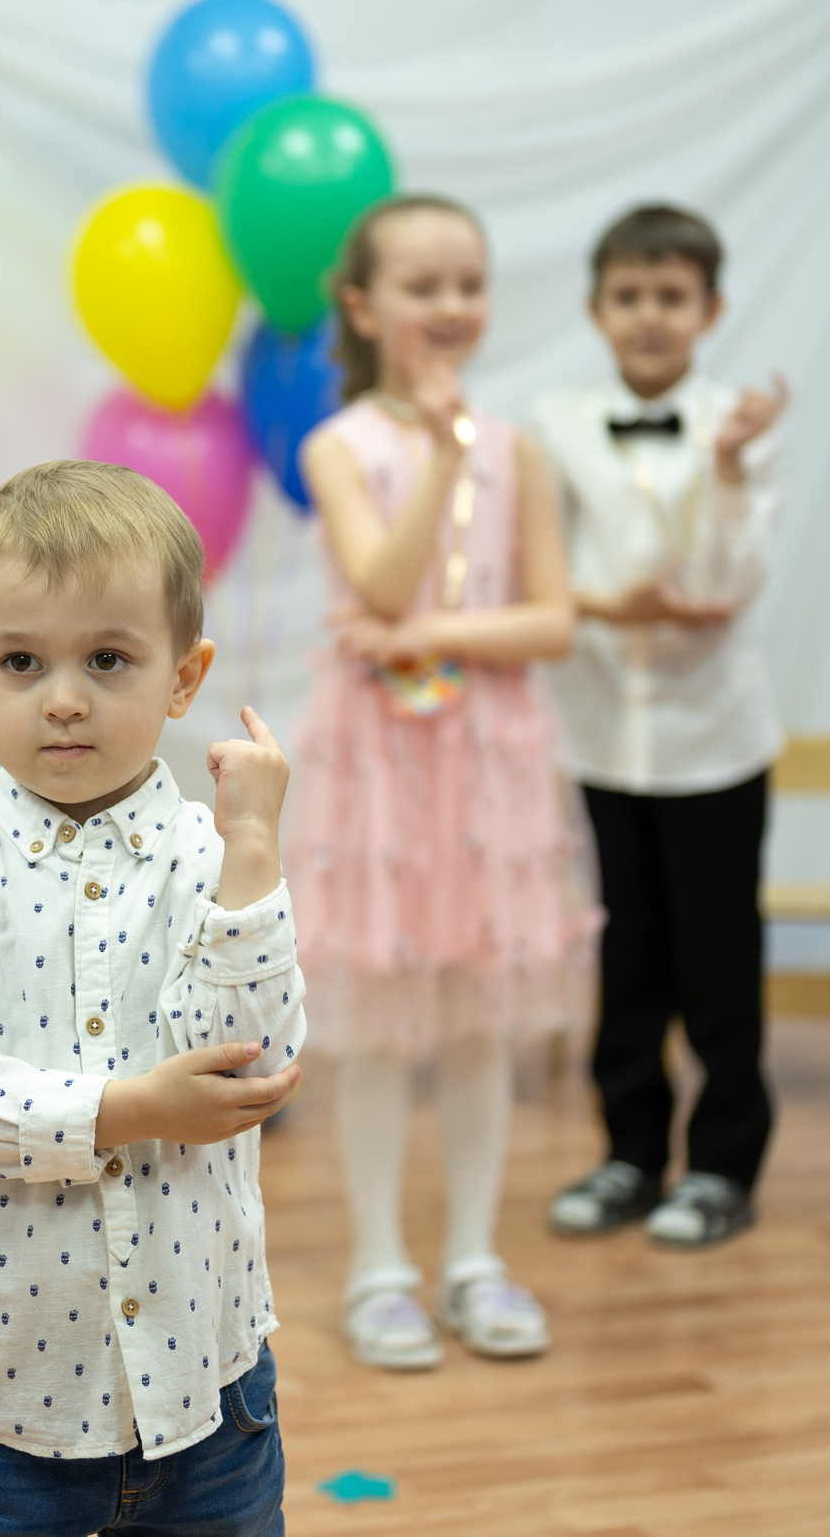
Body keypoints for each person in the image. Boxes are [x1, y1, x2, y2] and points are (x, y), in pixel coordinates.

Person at [0, 460, 304, 1537]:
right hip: (3, 1412)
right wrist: (131, 1108)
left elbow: (259, 1060)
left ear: (184, 675)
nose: (63, 696)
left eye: (108, 657)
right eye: (23, 661)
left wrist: (252, 853)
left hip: (210, 1400)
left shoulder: (212, 859)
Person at [290, 194, 585, 1372]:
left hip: (488, 758)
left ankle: (471, 1254)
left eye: (469, 281)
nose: (452, 305)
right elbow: (384, 573)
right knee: (377, 1023)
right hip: (377, 771)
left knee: (477, 1019)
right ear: (363, 305)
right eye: (424, 285)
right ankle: (379, 1263)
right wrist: (442, 455)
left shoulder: (523, 451)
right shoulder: (340, 444)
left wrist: (420, 636)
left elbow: (554, 618)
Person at [530, 203, 788, 1249]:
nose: (649, 315)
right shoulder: (554, 426)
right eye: (629, 296)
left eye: (670, 297)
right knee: (624, 958)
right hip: (602, 740)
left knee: (718, 963)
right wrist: (606, 605)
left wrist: (726, 465)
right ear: (597, 308)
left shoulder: (741, 423)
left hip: (713, 740)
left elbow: (734, 579)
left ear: (709, 308)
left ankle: (724, 1163)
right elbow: (541, 577)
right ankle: (630, 1152)